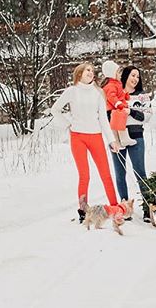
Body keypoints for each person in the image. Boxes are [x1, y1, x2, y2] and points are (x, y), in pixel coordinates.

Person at [51, 62, 121, 223]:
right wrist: (67, 124)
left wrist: (111, 141)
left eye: (92, 70)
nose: (91, 72)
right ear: (79, 73)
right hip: (78, 137)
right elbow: (55, 109)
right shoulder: (72, 91)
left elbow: (104, 119)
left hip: (95, 136)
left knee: (106, 174)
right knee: (84, 175)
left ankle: (115, 207)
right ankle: (83, 211)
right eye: (87, 70)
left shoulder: (98, 93)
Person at [111, 65, 152, 222]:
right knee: (120, 174)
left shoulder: (142, 96)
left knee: (140, 173)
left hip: (136, 137)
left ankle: (148, 208)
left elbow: (147, 117)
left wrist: (131, 112)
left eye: (138, 76)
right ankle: (124, 208)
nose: (135, 79)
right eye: (133, 75)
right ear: (126, 76)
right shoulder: (115, 93)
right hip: (117, 137)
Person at [101, 60, 137, 147]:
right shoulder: (110, 85)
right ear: (112, 74)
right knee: (118, 122)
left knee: (114, 127)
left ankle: (117, 143)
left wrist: (125, 95)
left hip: (114, 108)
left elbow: (119, 94)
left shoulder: (115, 83)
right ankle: (123, 139)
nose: (120, 75)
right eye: (118, 73)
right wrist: (118, 104)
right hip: (113, 109)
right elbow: (112, 97)